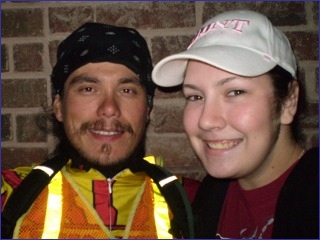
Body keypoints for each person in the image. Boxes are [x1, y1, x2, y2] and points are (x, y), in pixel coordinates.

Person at [1, 22, 200, 239]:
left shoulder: (195, 201)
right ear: (59, 106)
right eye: (88, 89)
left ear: (147, 110)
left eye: (127, 90)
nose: (109, 109)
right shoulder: (11, 194)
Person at [152, 10, 319, 239]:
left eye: (235, 92)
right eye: (195, 96)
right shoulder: (211, 197)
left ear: (288, 101)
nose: (207, 121)